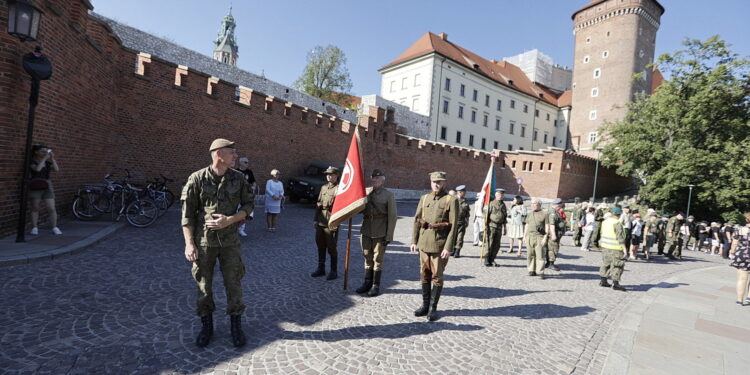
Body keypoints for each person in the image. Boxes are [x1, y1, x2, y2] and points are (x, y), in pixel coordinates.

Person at [181, 138, 254, 348]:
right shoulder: (196, 179)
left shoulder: (239, 178)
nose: (236, 156)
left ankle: (235, 325)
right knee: (204, 285)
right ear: (219, 154)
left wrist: (230, 220)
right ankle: (207, 326)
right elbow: (187, 215)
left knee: (234, 283)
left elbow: (249, 205)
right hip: (204, 243)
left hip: (230, 242)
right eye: (232, 153)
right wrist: (189, 244)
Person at [411, 171, 459, 322]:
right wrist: (414, 241)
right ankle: (425, 305)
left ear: (444, 183)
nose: (436, 184)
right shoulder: (424, 198)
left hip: (439, 244)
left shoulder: (451, 200)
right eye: (434, 182)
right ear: (430, 182)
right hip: (424, 244)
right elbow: (417, 220)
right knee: (424, 275)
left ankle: (433, 308)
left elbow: (454, 225)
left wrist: (448, 247)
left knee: (437, 277)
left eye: (439, 181)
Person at [355, 169, 397, 297]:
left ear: (383, 180)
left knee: (377, 259)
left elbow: (392, 216)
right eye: (373, 178)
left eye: (377, 178)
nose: (374, 180)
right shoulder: (366, 192)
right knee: (367, 256)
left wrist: (389, 236)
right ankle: (367, 282)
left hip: (380, 230)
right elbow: (359, 208)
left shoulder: (388, 195)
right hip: (366, 228)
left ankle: (375, 285)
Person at [311, 167, 340, 280]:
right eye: (327, 174)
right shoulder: (323, 188)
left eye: (331, 174)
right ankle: (321, 268)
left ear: (337, 175)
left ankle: (334, 271)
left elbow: (340, 208)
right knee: (320, 245)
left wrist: (336, 222)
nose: (329, 176)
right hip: (321, 222)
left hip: (331, 222)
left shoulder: (339, 189)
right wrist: (315, 220)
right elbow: (318, 204)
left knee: (332, 248)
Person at [28, 144, 62, 235]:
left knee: (51, 207)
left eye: (46, 151)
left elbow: (56, 169)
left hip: (47, 184)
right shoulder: (32, 161)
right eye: (43, 151)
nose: (45, 153)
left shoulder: (47, 162)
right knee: (35, 207)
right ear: (36, 152)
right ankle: (34, 227)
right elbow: (37, 169)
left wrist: (52, 159)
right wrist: (44, 159)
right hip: (36, 184)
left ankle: (54, 227)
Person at [599, 206, 627, 291]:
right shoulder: (617, 223)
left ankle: (603, 281)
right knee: (617, 265)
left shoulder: (605, 222)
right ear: (619, 214)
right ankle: (616, 284)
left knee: (606, 264)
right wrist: (625, 249)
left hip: (605, 247)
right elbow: (620, 238)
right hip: (616, 248)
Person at [524, 199, 549, 279]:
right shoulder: (529, 214)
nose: (532, 205)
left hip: (539, 237)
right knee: (530, 255)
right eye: (531, 203)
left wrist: (545, 237)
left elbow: (547, 226)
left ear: (539, 204)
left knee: (540, 255)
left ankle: (540, 271)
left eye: (534, 203)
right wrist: (525, 236)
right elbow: (527, 225)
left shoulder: (544, 214)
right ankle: (531, 270)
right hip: (530, 237)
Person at [729, 213, 750, 305]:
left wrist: (732, 252)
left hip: (743, 254)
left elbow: (734, 243)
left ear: (746, 220)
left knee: (742, 278)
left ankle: (739, 300)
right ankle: (749, 297)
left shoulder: (740, 230)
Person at [483, 189, 507, 267]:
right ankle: (486, 259)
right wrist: (485, 225)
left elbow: (504, 217)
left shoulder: (503, 205)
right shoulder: (491, 204)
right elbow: (486, 215)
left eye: (502, 195)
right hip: (491, 226)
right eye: (499, 194)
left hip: (499, 227)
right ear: (496, 195)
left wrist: (505, 227)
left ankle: (492, 259)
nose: (501, 196)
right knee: (490, 242)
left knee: (497, 244)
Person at [236, 157, 256, 237]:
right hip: (237, 196)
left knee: (248, 214)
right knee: (238, 213)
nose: (247, 164)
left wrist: (254, 187)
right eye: (245, 162)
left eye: (247, 162)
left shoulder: (249, 172)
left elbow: (253, 182)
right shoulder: (236, 172)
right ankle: (236, 229)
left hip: (247, 196)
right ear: (240, 163)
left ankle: (240, 229)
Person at [546, 198, 565, 271]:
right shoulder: (553, 213)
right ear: (557, 205)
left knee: (552, 248)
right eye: (560, 205)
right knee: (553, 249)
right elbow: (552, 224)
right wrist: (553, 235)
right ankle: (550, 263)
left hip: (557, 234)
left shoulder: (554, 211)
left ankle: (549, 263)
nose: (560, 207)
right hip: (554, 234)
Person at [453, 185, 471, 258]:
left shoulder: (465, 200)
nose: (465, 193)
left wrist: (467, 221)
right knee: (453, 237)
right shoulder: (453, 200)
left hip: (462, 222)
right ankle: (453, 250)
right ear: (459, 192)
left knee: (460, 238)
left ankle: (457, 252)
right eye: (464, 192)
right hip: (453, 222)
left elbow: (467, 212)